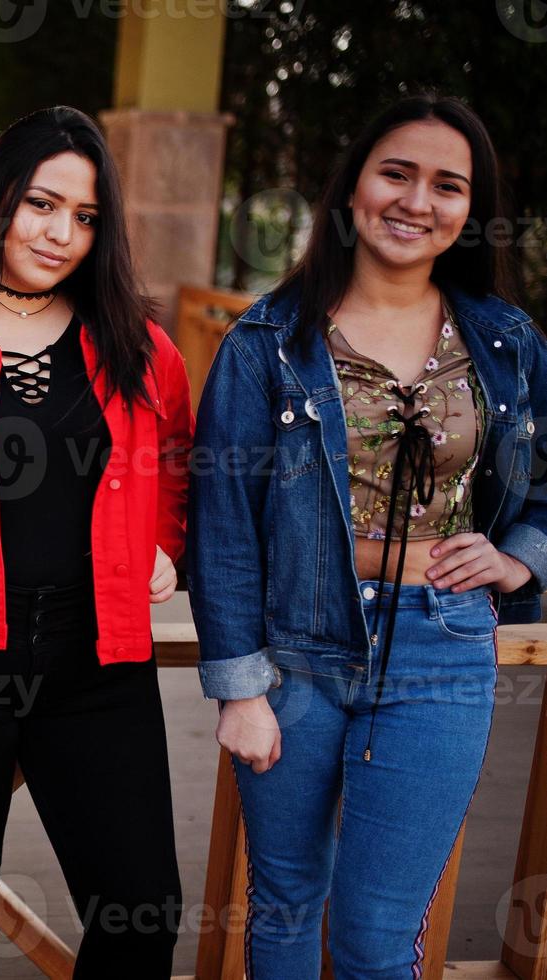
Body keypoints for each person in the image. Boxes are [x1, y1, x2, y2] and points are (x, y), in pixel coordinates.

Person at [189, 94, 547, 977]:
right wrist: (237, 688)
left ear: (471, 210)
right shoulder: (265, 342)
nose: (416, 201)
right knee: (279, 907)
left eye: (446, 185)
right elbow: (224, 527)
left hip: (443, 645)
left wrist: (517, 559)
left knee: (378, 933)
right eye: (396, 172)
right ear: (352, 186)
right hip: (294, 656)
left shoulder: (506, 344)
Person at [0, 106, 192, 979]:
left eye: (86, 216)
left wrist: (163, 539)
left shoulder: (138, 346)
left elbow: (176, 462)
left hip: (97, 664)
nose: (61, 233)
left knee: (141, 915)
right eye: (40, 204)